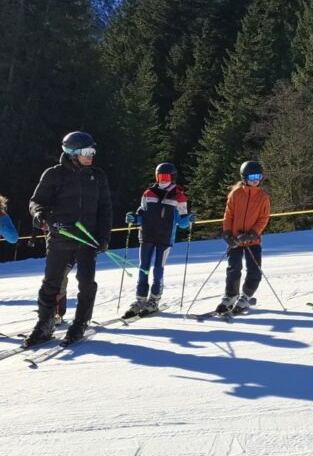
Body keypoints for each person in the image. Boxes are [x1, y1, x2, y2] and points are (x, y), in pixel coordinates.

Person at [25, 131, 112, 346]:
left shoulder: (98, 176)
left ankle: (80, 322)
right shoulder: (54, 174)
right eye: (86, 151)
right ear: (72, 153)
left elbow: (105, 209)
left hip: (87, 239)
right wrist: (39, 214)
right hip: (60, 237)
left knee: (86, 283)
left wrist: (104, 237)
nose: (91, 155)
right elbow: (36, 201)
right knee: (51, 283)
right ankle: (45, 324)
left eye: (93, 151)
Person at [123, 162, 195, 317]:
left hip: (165, 237)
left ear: (172, 177)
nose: (162, 180)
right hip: (146, 235)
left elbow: (182, 222)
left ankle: (154, 299)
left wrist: (188, 219)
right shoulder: (148, 193)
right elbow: (141, 214)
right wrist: (133, 218)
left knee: (158, 269)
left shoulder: (179, 196)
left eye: (165, 177)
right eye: (159, 177)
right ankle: (140, 299)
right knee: (143, 268)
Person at [216, 160, 271, 314]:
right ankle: (231, 296)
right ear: (244, 177)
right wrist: (227, 232)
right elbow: (228, 215)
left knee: (255, 270)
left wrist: (253, 233)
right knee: (234, 268)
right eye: (252, 177)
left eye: (258, 177)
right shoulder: (236, 194)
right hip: (235, 239)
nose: (255, 180)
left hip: (253, 240)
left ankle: (246, 296)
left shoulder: (263, 197)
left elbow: (263, 218)